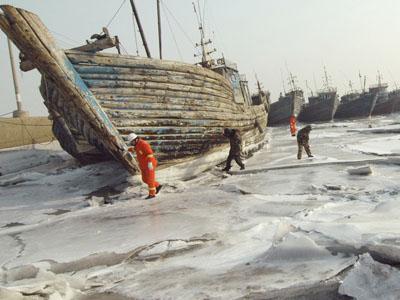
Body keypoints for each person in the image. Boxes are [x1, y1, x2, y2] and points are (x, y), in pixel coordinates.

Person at [126, 133, 162, 199]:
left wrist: (150, 162)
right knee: (145, 179)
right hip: (143, 165)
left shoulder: (144, 144)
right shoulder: (137, 145)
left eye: (132, 142)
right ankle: (157, 185)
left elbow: (150, 153)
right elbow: (137, 150)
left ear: (136, 139)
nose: (132, 143)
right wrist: (129, 150)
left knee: (150, 179)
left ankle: (152, 194)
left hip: (149, 165)